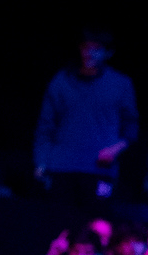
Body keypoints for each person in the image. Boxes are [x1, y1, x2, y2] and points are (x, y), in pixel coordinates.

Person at [34, 29, 139, 206]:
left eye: (96, 48)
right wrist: (41, 161)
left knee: (96, 224)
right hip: (61, 167)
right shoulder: (62, 80)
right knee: (58, 223)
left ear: (108, 53)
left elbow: (131, 127)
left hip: (100, 171)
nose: (89, 53)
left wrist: (115, 149)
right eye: (85, 47)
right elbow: (45, 126)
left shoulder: (121, 84)